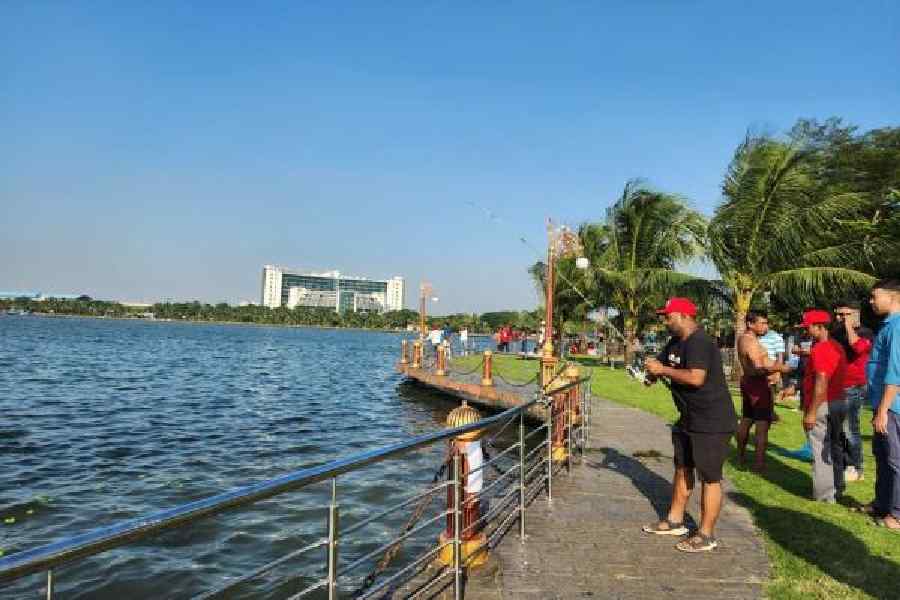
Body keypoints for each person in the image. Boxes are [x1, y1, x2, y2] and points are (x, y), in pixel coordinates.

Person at [641, 297, 736, 553]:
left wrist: (663, 370)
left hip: (712, 420)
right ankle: (675, 521)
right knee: (682, 467)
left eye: (668, 316)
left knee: (710, 477)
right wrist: (651, 374)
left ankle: (706, 534)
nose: (665, 320)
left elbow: (696, 378)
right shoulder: (675, 342)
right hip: (688, 417)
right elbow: (662, 366)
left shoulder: (700, 342)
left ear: (683, 315)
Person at [799, 309, 848, 503]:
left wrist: (811, 412)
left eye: (808, 327)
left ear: (819, 327)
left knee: (820, 449)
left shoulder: (822, 348)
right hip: (838, 401)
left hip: (823, 403)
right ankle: (837, 488)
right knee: (834, 447)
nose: (806, 331)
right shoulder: (837, 346)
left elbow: (821, 382)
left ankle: (824, 494)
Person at [864, 279, 900, 529]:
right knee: (882, 456)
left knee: (895, 459)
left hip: (893, 406)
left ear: (893, 296)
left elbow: (895, 372)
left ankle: (896, 514)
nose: (871, 301)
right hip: (883, 405)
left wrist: (884, 410)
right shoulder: (888, 325)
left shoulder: (897, 327)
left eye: (874, 296)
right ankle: (882, 503)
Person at [736, 311, 790, 472]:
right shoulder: (751, 342)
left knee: (746, 419)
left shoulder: (745, 339)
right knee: (762, 425)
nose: (766, 326)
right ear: (750, 324)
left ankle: (741, 457)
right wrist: (779, 368)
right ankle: (759, 464)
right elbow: (758, 369)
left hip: (748, 382)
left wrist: (774, 366)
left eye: (766, 323)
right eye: (762, 323)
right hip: (757, 385)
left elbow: (761, 363)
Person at [832, 300, 874, 482]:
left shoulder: (865, 333)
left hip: (854, 386)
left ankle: (856, 467)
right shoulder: (836, 333)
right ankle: (842, 463)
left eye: (845, 314)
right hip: (837, 386)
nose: (840, 318)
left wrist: (849, 326)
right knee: (838, 429)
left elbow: (858, 347)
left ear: (856, 314)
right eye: (838, 314)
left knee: (850, 429)